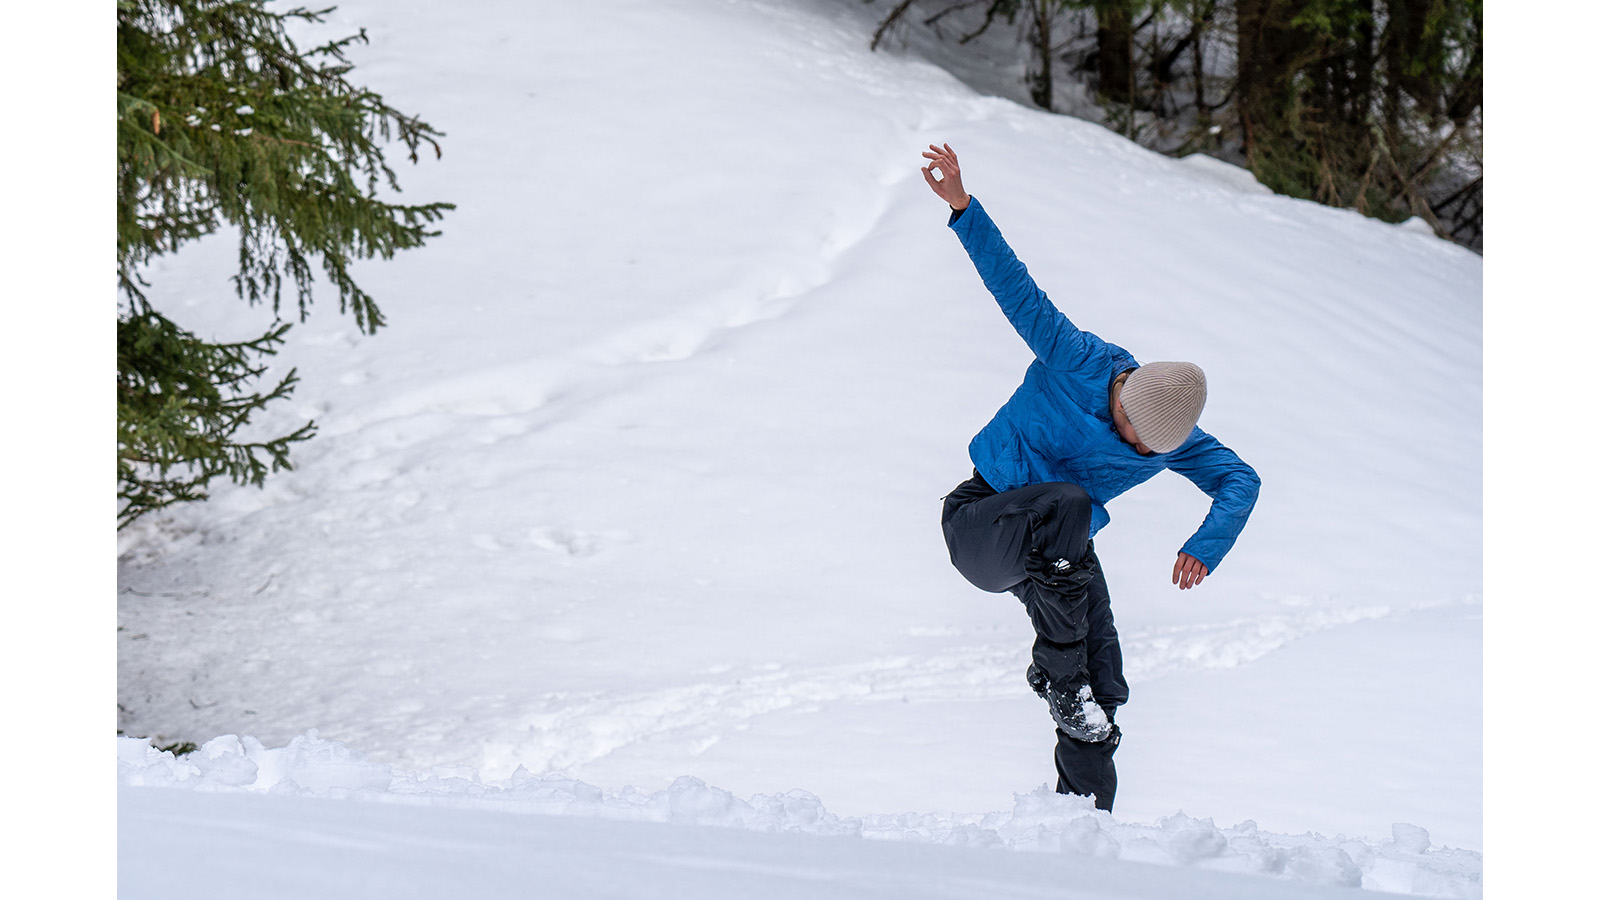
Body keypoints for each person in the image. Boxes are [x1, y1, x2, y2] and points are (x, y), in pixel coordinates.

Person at [921, 143, 1261, 812]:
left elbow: (1239, 479)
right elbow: (1015, 288)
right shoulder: (1077, 358)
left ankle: (1081, 824)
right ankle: (1058, 676)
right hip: (982, 523)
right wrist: (964, 206)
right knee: (1071, 504)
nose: (1135, 449)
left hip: (1056, 558)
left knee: (1102, 681)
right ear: (1126, 393)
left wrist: (1206, 544)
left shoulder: (1169, 442)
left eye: (1149, 450)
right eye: (1132, 433)